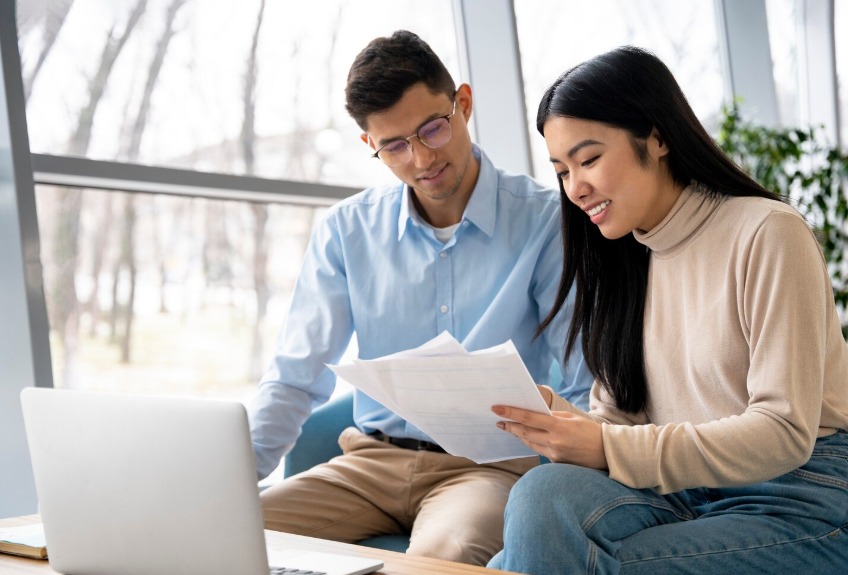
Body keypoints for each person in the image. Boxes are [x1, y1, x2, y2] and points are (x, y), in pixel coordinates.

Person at [487, 46, 848, 575]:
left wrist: (607, 443)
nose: (575, 188)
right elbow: (620, 421)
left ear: (657, 138)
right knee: (544, 498)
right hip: (684, 489)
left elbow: (783, 431)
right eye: (562, 170)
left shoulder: (767, 233)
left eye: (588, 160)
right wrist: (568, 425)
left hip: (801, 492)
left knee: (525, 563)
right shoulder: (623, 259)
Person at [247, 30, 592, 566]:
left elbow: (582, 383)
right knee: (231, 531)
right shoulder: (347, 230)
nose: (421, 158)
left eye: (433, 128)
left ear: (464, 105)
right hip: (369, 463)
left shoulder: (548, 221)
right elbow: (295, 378)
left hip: (488, 468)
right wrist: (228, 483)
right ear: (371, 146)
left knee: (444, 553)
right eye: (395, 146)